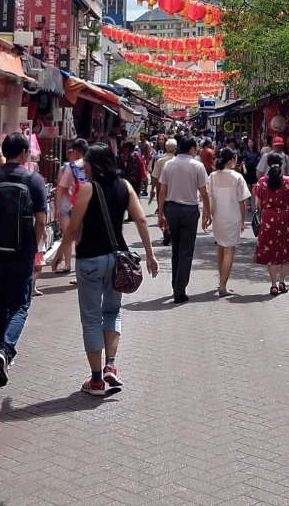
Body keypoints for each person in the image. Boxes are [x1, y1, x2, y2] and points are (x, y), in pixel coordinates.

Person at [54, 144, 159, 396]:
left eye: (87, 162)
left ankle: (96, 380)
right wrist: (150, 254)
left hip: (90, 260)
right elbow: (142, 219)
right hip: (117, 259)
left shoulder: (88, 189)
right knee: (112, 312)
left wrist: (59, 252)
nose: (84, 166)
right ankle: (111, 365)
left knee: (91, 318)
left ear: (97, 163)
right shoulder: (125, 186)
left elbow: (73, 227)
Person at [0, 132, 48, 385]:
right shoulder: (34, 180)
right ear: (24, 153)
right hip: (21, 252)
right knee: (21, 305)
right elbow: (42, 221)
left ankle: (1, 354)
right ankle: (5, 350)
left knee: (0, 305)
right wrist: (32, 247)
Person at [156, 136, 210, 303]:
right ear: (192, 149)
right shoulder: (197, 166)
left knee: (176, 251)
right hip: (189, 210)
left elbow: (162, 191)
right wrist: (207, 211)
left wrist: (160, 214)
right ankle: (180, 289)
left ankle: (176, 286)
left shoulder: (169, 165)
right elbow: (203, 192)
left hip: (172, 209)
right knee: (186, 251)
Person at [207, 147, 251, 296]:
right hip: (233, 218)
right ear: (231, 160)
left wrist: (207, 214)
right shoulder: (237, 177)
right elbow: (242, 202)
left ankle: (221, 281)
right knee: (229, 251)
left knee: (221, 247)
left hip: (218, 217)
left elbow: (209, 197)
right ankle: (223, 286)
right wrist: (243, 220)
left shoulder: (213, 176)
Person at [252, 156, 289, 295]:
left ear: (268, 164)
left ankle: (273, 285)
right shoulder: (288, 181)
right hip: (284, 218)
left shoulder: (262, 182)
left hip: (268, 217)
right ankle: (282, 282)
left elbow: (257, 204)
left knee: (270, 249)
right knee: (283, 249)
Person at [53, 138, 89, 276]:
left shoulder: (72, 166)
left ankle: (69, 265)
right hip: (90, 207)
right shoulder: (97, 164)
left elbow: (62, 189)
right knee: (84, 238)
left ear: (75, 151)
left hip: (72, 207)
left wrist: (75, 199)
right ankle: (80, 271)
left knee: (70, 235)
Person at [151, 138, 178, 216]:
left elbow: (155, 177)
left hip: (162, 189)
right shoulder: (178, 161)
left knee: (163, 207)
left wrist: (152, 189)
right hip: (174, 190)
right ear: (175, 149)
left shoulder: (160, 161)